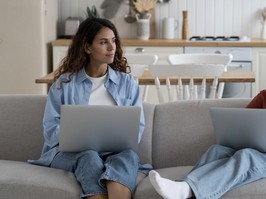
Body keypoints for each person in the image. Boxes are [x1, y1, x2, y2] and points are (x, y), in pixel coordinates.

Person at [28, 17, 145, 199]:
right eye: (103, 42)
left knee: (128, 156)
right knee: (89, 156)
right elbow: (51, 130)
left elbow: (137, 128)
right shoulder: (65, 84)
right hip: (74, 154)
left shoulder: (127, 83)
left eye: (113, 41)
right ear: (87, 47)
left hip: (117, 152)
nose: (111, 47)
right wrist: (77, 137)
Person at [149, 89, 266, 199]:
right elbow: (242, 123)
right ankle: (185, 187)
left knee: (246, 156)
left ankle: (187, 190)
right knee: (216, 150)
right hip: (256, 148)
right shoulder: (263, 96)